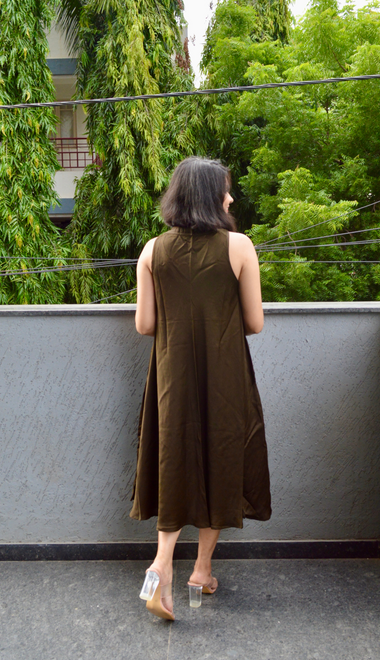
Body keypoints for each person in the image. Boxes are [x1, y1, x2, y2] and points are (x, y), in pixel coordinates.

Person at [130, 156, 271, 620]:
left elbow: (145, 324)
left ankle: (161, 567)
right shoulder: (240, 247)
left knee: (174, 461)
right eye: (226, 190)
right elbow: (255, 323)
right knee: (222, 460)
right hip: (225, 377)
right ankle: (201, 571)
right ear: (212, 197)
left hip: (172, 377)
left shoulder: (151, 251)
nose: (231, 198)